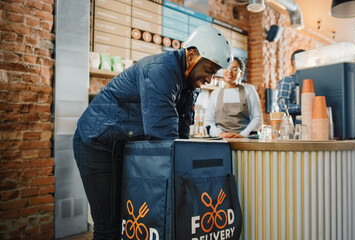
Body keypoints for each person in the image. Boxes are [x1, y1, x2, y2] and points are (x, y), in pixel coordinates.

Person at [73, 25, 233, 239]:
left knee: (127, 218)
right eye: (210, 70)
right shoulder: (160, 70)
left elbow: (181, 133)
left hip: (124, 144)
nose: (209, 80)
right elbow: (162, 134)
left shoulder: (189, 83)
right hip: (97, 142)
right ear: (193, 54)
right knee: (108, 224)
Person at [204, 57, 262, 138]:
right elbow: (208, 121)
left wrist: (242, 135)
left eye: (234, 69)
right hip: (221, 140)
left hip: (244, 141)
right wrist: (220, 134)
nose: (229, 72)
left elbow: (257, 119)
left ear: (241, 74)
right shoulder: (215, 94)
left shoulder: (249, 90)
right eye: (227, 68)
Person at [277, 49, 305, 118]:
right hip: (293, 124)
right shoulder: (287, 81)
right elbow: (283, 106)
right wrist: (305, 107)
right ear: (295, 62)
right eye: (305, 59)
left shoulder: (310, 81)